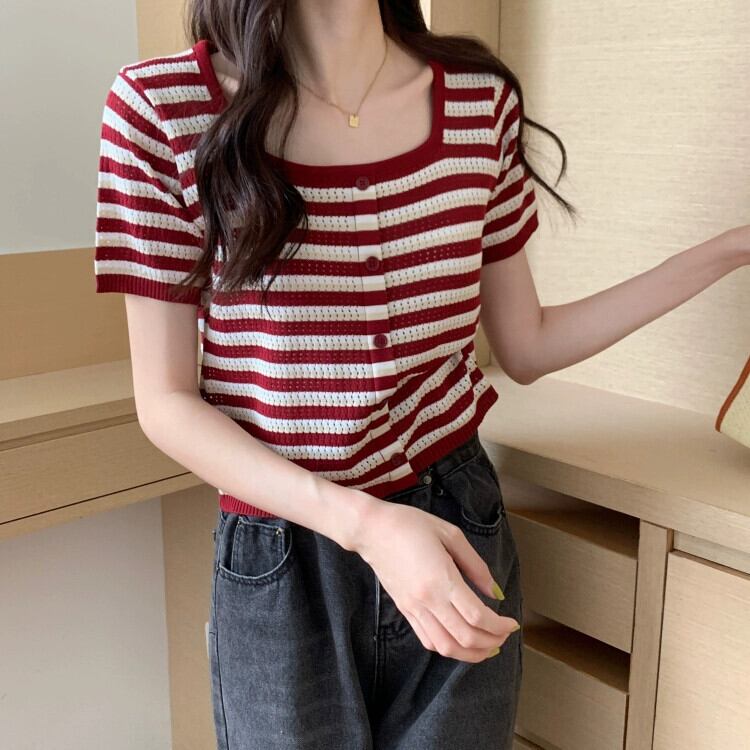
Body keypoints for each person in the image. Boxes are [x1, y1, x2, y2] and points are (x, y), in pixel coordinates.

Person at [92, 2, 750, 748]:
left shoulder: (476, 102)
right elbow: (166, 402)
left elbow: (527, 343)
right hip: (285, 549)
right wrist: (366, 525)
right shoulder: (162, 109)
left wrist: (730, 250)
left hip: (456, 524)